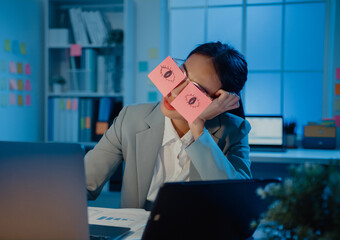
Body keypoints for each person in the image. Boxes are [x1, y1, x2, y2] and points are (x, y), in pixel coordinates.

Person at [85, 41, 251, 210]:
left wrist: (197, 126)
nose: (174, 91)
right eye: (180, 74)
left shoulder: (234, 131)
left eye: (195, 90)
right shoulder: (130, 118)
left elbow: (237, 205)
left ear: (219, 101)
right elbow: (83, 184)